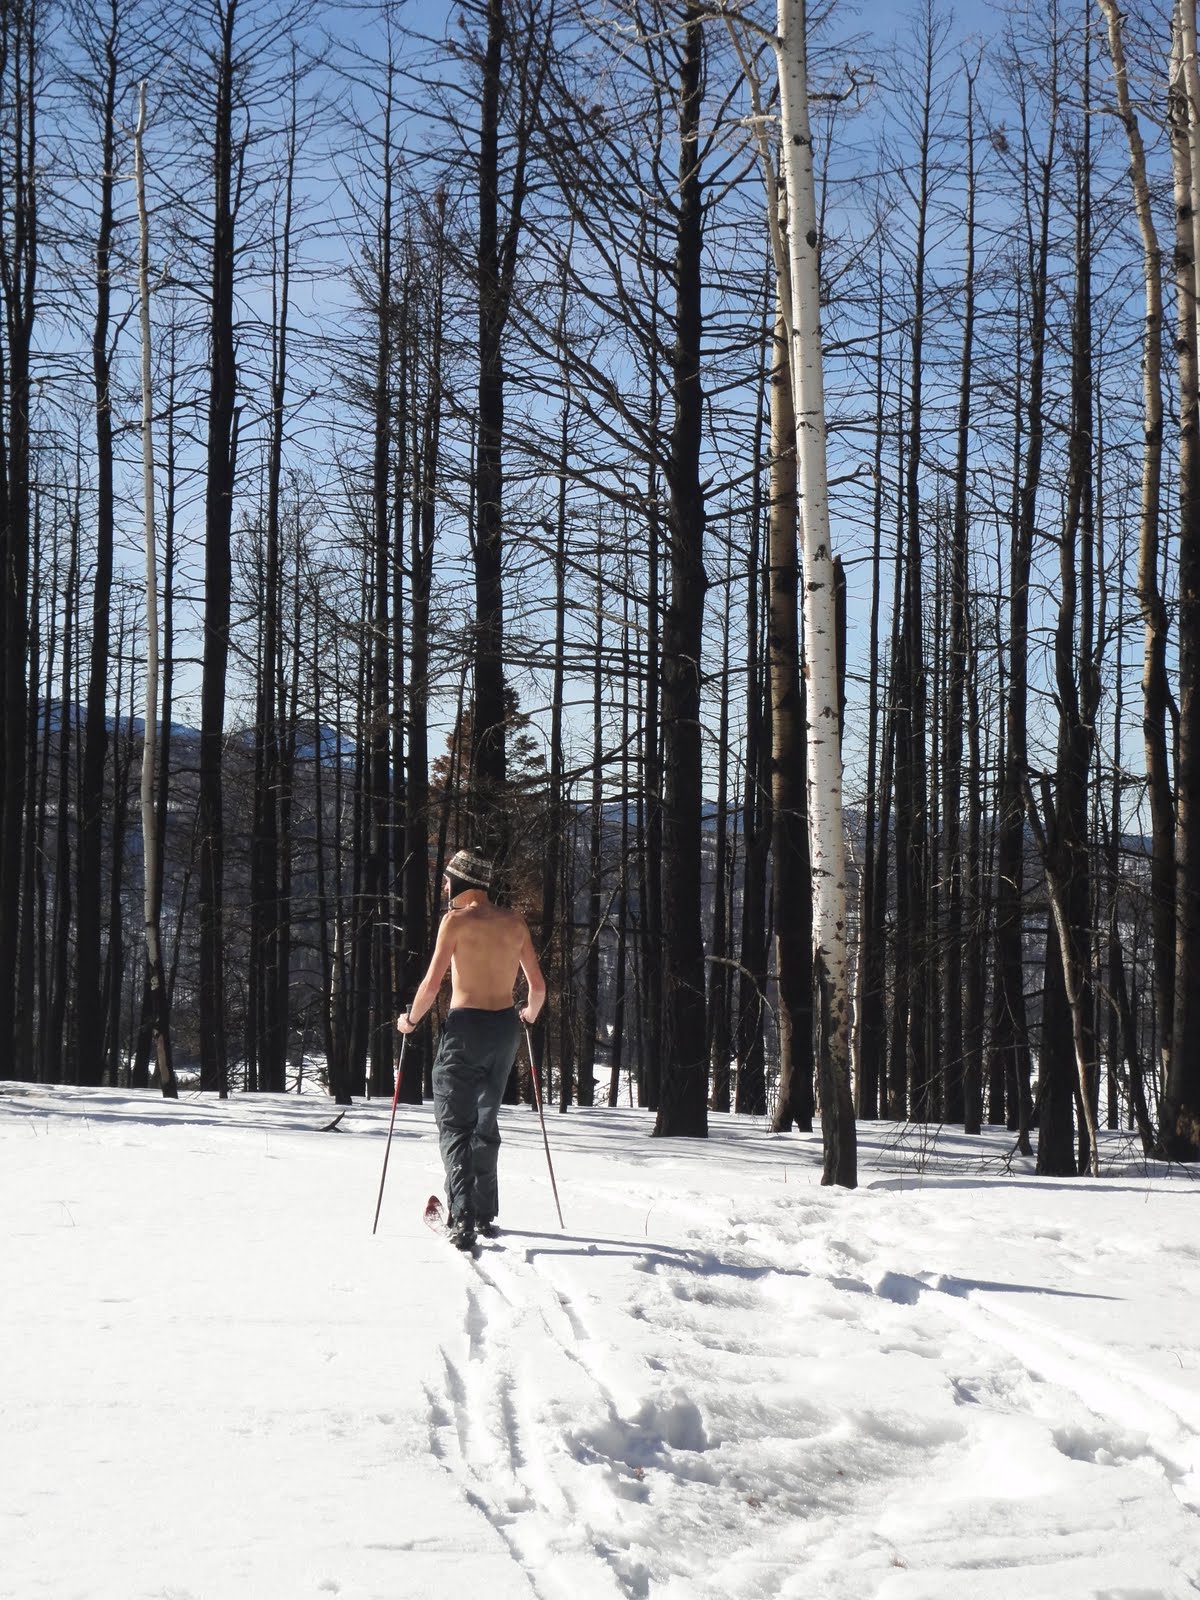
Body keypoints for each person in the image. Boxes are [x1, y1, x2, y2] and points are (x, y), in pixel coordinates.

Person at [397, 848, 546, 1250]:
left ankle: (461, 1217)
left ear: (462, 883)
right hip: (504, 1031)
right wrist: (528, 1015)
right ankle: (483, 1212)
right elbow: (538, 988)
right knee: (485, 1120)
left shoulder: (456, 922)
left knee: (453, 1123)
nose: (444, 888)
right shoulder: (515, 922)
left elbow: (431, 986)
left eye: (447, 881)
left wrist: (409, 1020)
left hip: (465, 1029)